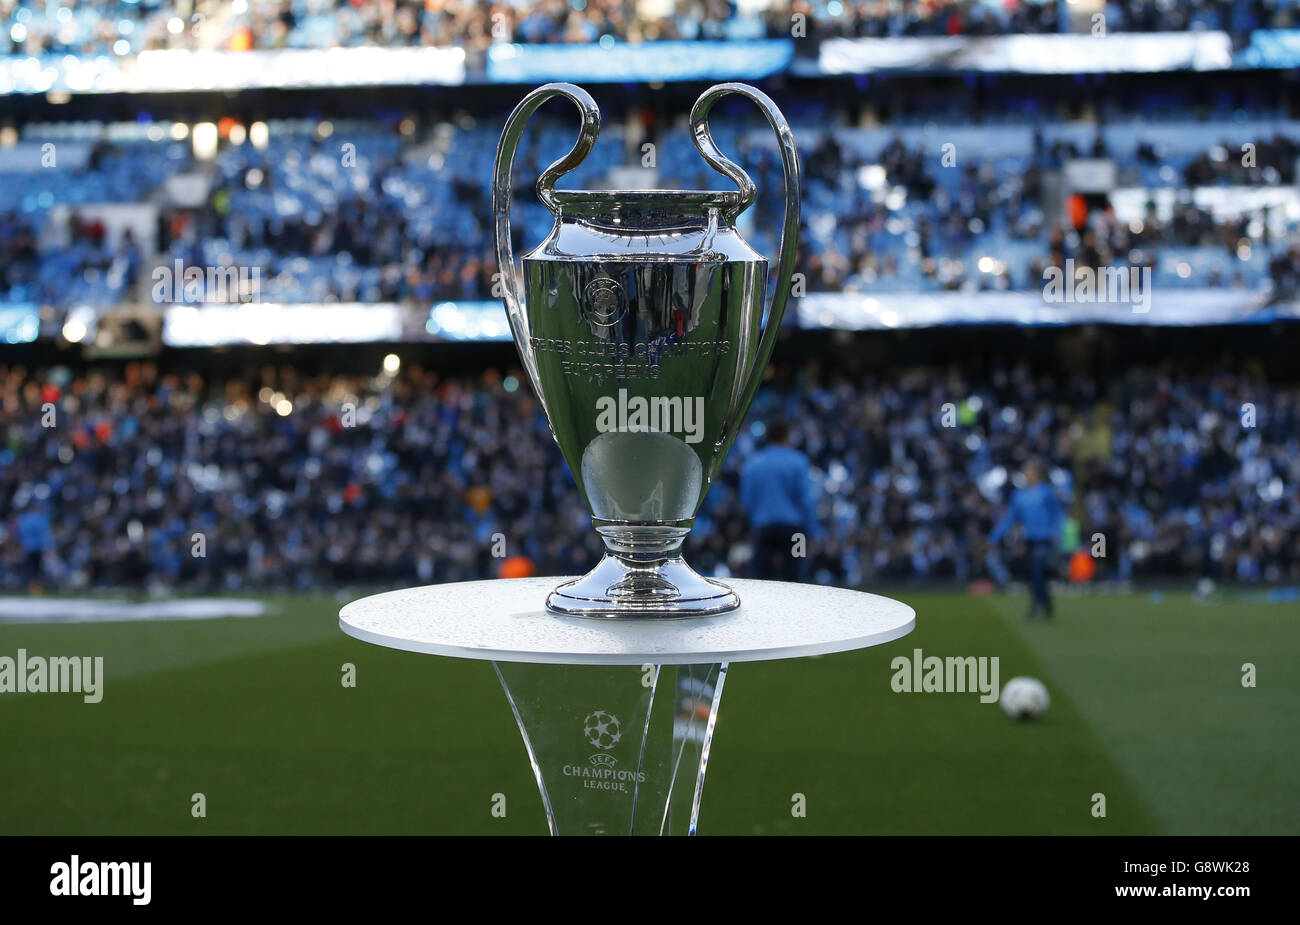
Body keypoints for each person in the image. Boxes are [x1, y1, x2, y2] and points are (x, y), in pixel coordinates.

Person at [740, 420, 816, 581]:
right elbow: (805, 501)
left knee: (762, 579)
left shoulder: (753, 463)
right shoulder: (798, 461)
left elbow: (747, 501)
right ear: (786, 437)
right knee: (797, 577)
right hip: (795, 531)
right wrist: (812, 532)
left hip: (764, 529)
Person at [989, 459, 1064, 619]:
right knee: (1034, 573)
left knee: (1037, 570)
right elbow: (1010, 518)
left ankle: (1036, 604)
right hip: (1030, 538)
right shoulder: (1019, 496)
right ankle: (1046, 603)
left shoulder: (1046, 492)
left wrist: (1056, 531)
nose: (1026, 474)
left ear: (1037, 474)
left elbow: (1057, 513)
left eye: (1029, 471)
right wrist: (995, 536)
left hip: (1045, 538)